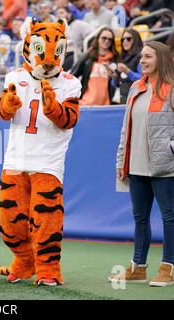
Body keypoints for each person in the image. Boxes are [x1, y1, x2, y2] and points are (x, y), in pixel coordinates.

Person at [0, 18, 81, 286]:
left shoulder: (70, 83)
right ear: (29, 47)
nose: (49, 60)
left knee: (45, 222)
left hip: (47, 162)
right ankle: (24, 261)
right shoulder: (15, 77)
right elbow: (1, 113)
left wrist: (53, 108)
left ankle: (48, 269)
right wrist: (6, 105)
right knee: (9, 223)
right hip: (15, 161)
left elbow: (70, 119)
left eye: (55, 52)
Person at [110, 41, 174, 287]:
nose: (143, 61)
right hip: (135, 165)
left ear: (162, 59)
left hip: (165, 166)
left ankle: (169, 266)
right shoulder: (136, 87)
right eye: (142, 57)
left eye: (149, 56)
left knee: (169, 217)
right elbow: (126, 128)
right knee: (140, 218)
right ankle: (138, 267)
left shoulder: (171, 88)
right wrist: (120, 159)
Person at [71, 27, 119, 106]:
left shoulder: (114, 59)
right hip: (86, 104)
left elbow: (118, 83)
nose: (107, 41)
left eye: (110, 39)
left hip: (106, 106)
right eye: (104, 38)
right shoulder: (88, 56)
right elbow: (73, 75)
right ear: (98, 38)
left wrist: (114, 77)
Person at [56, 6, 94, 71]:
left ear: (69, 14)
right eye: (58, 13)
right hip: (62, 55)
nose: (59, 15)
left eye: (62, 13)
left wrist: (87, 49)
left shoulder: (79, 24)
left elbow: (92, 34)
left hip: (76, 54)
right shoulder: (57, 28)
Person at [112, 28, 143, 104]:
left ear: (135, 40)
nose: (125, 41)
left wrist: (127, 71)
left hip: (136, 101)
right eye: (123, 39)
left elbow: (143, 79)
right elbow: (114, 85)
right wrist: (114, 77)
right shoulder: (121, 58)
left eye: (128, 39)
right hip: (121, 100)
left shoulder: (141, 57)